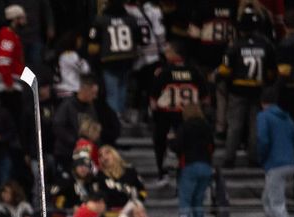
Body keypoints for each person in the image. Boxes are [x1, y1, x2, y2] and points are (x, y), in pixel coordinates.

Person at [219, 6, 280, 168]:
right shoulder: (266, 44)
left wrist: (226, 83)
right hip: (258, 91)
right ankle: (254, 158)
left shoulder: (235, 45)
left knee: (235, 125)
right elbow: (272, 71)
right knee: (255, 126)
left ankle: (229, 158)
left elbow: (225, 70)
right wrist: (266, 84)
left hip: (237, 91)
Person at [150, 42, 206, 187]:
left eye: (169, 51)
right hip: (188, 114)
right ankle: (184, 173)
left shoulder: (163, 72)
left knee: (160, 142)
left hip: (166, 114)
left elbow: (153, 98)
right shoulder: (195, 72)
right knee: (188, 144)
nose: (166, 53)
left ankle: (162, 173)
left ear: (176, 54)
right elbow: (205, 97)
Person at [256, 87, 294, 217]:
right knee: (266, 199)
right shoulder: (287, 117)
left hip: (275, 164)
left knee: (276, 204)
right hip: (290, 163)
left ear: (262, 103)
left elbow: (263, 140)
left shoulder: (263, 116)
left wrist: (262, 158)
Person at [87, 0, 139, 116]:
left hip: (109, 60)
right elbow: (138, 38)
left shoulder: (101, 20)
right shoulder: (131, 19)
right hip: (127, 59)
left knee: (112, 93)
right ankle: (119, 116)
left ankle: (114, 119)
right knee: (122, 90)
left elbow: (93, 42)